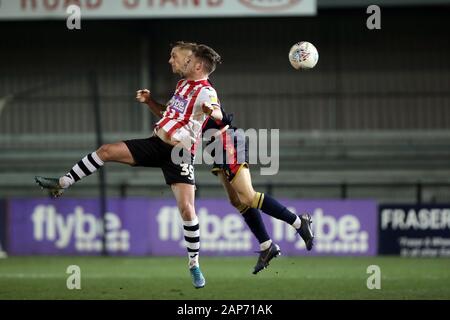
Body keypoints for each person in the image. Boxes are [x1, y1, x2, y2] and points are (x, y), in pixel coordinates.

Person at [35, 41, 223, 289]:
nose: (176, 62)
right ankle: (63, 183)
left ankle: (194, 263)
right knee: (106, 151)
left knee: (188, 210)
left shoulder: (206, 91)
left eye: (182, 59)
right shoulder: (181, 85)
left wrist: (213, 112)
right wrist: (149, 102)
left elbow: (217, 113)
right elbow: (169, 114)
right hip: (156, 144)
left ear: (197, 65)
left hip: (179, 154)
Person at [202, 103, 314, 274]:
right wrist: (150, 102)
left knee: (248, 196)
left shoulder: (201, 89)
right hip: (215, 148)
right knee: (237, 201)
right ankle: (266, 245)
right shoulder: (183, 99)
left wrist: (211, 112)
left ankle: (299, 222)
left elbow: (220, 115)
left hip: (227, 141)